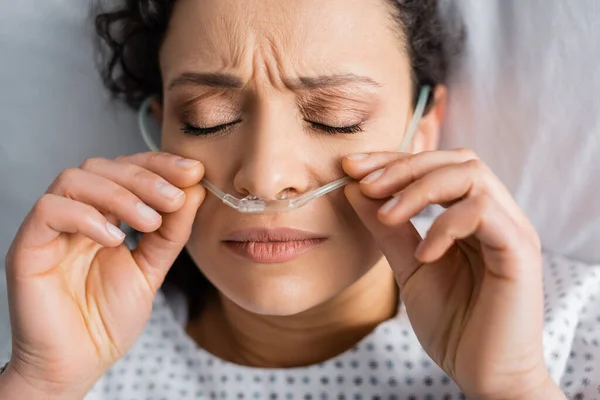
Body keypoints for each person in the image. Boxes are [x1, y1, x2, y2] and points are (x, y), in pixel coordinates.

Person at [1, 0, 593, 398]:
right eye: (208, 120)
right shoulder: (62, 346)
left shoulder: (572, 328)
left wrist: (516, 385)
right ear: (160, 134)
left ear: (424, 129)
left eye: (336, 119)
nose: (263, 177)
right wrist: (42, 383)